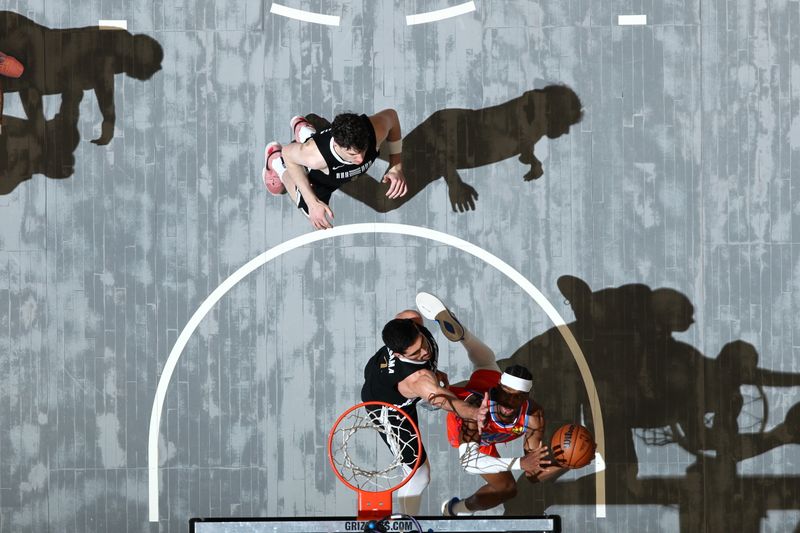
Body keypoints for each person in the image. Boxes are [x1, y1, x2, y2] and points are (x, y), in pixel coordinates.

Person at [415, 294, 563, 517]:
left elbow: (534, 474)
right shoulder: (477, 409)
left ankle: (454, 510)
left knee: (507, 489)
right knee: (433, 397)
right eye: (506, 395)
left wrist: (566, 461)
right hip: (468, 413)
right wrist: (519, 463)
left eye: (517, 398)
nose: (508, 404)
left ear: (526, 399)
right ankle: (451, 343)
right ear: (499, 389)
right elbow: (468, 462)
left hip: (487, 408)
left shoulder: (534, 416)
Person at [360, 297, 486, 515]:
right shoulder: (418, 380)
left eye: (422, 345)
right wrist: (478, 414)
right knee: (419, 474)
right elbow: (451, 403)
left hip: (382, 374)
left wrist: (434, 370)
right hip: (388, 409)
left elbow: (400, 320)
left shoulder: (410, 320)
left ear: (414, 327)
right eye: (416, 354)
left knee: (453, 390)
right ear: (399, 355)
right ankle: (403, 525)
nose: (424, 353)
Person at [262, 111, 407, 229]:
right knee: (309, 209)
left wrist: (396, 166)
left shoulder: (375, 130)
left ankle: (305, 132)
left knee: (313, 145)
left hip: (324, 158)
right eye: (352, 154)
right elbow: (288, 154)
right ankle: (276, 163)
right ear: (337, 145)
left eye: (363, 150)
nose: (361, 159)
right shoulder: (315, 157)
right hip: (320, 176)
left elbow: (392, 116)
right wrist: (312, 203)